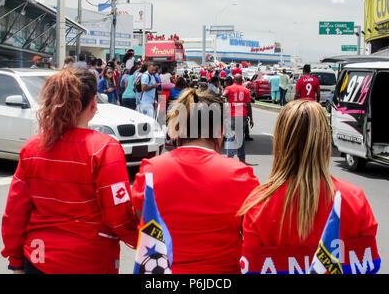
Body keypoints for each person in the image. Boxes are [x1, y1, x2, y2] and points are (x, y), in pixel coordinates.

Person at [1, 69, 138, 274]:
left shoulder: (32, 147)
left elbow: (15, 212)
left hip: (38, 258)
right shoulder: (104, 148)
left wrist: (16, 260)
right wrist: (143, 239)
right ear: (93, 104)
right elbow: (117, 215)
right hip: (90, 260)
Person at [238, 100, 379, 274]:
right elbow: (369, 266)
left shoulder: (258, 206)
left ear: (280, 141)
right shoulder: (354, 198)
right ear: (325, 142)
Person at [132, 89, 260, 274]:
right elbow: (253, 235)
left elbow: (140, 220)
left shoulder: (150, 170)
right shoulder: (241, 175)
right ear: (219, 130)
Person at [223, 74, 254, 164]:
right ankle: (241, 158)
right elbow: (248, 105)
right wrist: (251, 118)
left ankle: (230, 157)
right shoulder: (246, 90)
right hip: (242, 115)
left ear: (234, 80)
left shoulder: (228, 88)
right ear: (241, 80)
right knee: (240, 137)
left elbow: (223, 95)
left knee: (230, 136)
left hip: (231, 115)